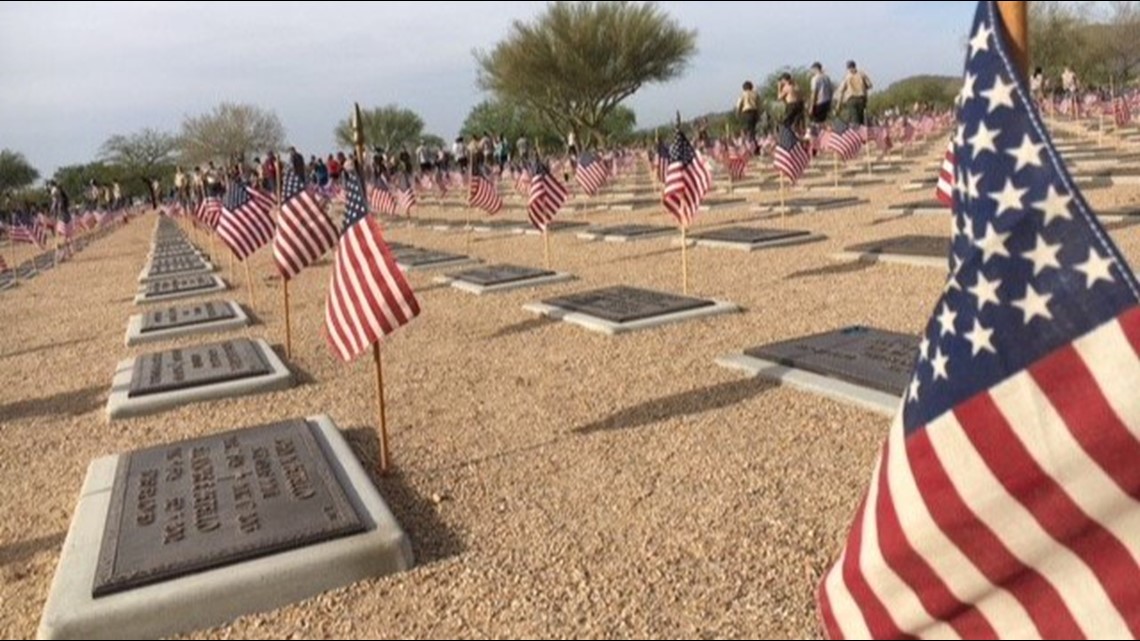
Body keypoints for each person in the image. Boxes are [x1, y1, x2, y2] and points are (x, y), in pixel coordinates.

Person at [837, 60, 873, 125]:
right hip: (861, 99)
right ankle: (861, 132)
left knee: (855, 120)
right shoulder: (862, 74)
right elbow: (870, 85)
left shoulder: (847, 77)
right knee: (860, 118)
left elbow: (841, 91)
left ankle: (857, 132)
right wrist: (863, 87)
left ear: (848, 68)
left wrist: (838, 106)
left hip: (851, 100)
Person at [736, 80, 761, 146]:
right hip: (754, 112)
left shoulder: (743, 94)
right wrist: (759, 114)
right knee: (753, 130)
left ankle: (750, 145)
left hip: (746, 112)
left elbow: (739, 105)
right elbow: (759, 105)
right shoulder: (755, 94)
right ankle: (754, 145)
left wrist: (738, 114)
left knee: (747, 130)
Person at [809, 62, 834, 127]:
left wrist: (811, 106)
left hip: (819, 102)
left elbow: (814, 92)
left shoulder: (815, 78)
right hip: (827, 102)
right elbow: (831, 90)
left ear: (815, 69)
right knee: (823, 121)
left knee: (816, 122)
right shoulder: (827, 78)